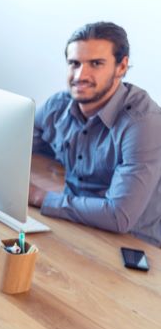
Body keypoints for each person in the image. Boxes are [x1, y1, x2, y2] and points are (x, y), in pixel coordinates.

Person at [29, 22, 161, 245]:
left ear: (121, 67)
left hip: (133, 243)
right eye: (74, 63)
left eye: (96, 64)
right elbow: (14, 142)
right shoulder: (58, 107)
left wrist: (38, 196)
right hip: (74, 224)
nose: (81, 75)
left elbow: (119, 216)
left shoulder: (143, 123)